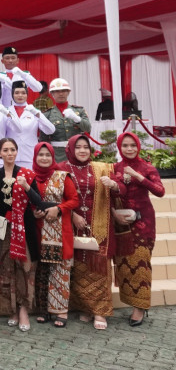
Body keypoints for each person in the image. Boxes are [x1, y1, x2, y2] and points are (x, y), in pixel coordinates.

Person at [62, 134, 122, 330]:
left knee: (98, 266)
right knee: (78, 268)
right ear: (71, 149)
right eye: (77, 147)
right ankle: (85, 308)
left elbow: (119, 191)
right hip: (72, 224)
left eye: (85, 147)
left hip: (99, 225)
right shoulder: (61, 169)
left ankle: (100, 312)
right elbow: (54, 196)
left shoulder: (101, 168)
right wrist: (72, 216)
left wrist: (113, 185)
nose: (82, 150)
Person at [0, 138, 52, 332]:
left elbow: (39, 202)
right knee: (4, 268)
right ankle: (11, 309)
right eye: (5, 150)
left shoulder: (26, 175)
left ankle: (24, 309)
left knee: (25, 268)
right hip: (2, 227)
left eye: (12, 150)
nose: (9, 153)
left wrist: (25, 186)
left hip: (23, 227)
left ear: (17, 152)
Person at [21, 142, 78, 328]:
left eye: (48, 155)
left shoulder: (62, 176)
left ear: (53, 157)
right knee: (42, 271)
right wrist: (34, 212)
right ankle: (43, 310)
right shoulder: (30, 177)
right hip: (38, 230)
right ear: (35, 156)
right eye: (41, 155)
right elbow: (26, 202)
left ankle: (61, 311)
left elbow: (74, 200)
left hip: (60, 231)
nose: (44, 158)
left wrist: (59, 208)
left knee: (60, 270)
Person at [113, 131, 165, 326]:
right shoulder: (115, 168)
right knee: (125, 265)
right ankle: (132, 302)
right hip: (122, 223)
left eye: (133, 145)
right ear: (120, 147)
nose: (129, 149)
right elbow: (109, 194)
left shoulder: (147, 167)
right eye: (125, 145)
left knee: (141, 263)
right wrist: (113, 213)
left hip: (144, 224)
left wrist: (137, 176)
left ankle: (139, 308)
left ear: (138, 146)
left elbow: (160, 191)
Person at [5, 81, 55, 168]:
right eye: (17, 93)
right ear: (12, 94)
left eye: (23, 93)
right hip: (10, 155)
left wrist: (38, 114)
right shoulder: (6, 111)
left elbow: (50, 130)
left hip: (29, 154)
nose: (20, 95)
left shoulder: (33, 111)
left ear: (27, 95)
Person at [39, 78, 91, 162]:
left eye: (64, 91)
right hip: (57, 154)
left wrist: (76, 118)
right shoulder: (47, 114)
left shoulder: (78, 110)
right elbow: (43, 139)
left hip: (76, 152)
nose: (61, 94)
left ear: (68, 92)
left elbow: (87, 128)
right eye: (57, 91)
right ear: (52, 94)